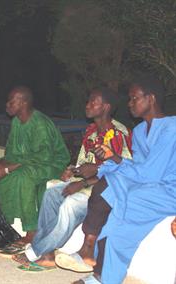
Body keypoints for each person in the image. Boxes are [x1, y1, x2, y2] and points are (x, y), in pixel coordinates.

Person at [56, 78, 176, 283]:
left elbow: (150, 173)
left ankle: (101, 272)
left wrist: (115, 158)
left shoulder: (171, 128)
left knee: (121, 208)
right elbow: (134, 167)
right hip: (145, 183)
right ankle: (91, 250)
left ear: (151, 99)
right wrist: (109, 161)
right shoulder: (139, 132)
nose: (129, 104)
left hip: (167, 190)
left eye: (134, 98)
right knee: (110, 183)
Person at [10, 87, 132, 271]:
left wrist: (82, 182)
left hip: (104, 192)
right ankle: (48, 254)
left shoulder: (118, 134)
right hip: (86, 185)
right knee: (51, 194)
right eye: (88, 101)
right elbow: (85, 165)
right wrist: (72, 171)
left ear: (106, 107)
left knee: (70, 205)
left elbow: (121, 173)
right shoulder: (91, 131)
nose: (87, 105)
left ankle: (36, 251)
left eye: (93, 102)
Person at [0, 86, 70, 244]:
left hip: (51, 163)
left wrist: (8, 168)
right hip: (29, 161)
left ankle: (31, 230)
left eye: (12, 101)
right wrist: (1, 165)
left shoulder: (40, 123)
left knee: (23, 176)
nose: (7, 105)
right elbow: (12, 153)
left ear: (24, 103)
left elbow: (44, 156)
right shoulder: (17, 121)